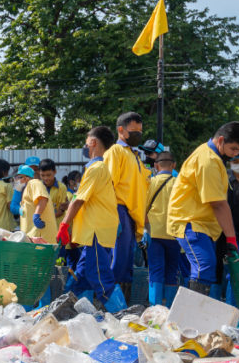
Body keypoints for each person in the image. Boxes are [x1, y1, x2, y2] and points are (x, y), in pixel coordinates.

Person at [167, 122, 239, 296]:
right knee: (204, 265)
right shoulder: (208, 160)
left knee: (206, 267)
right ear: (220, 140)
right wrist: (231, 238)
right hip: (191, 222)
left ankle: (194, 315)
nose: (235, 154)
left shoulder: (211, 157)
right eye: (233, 149)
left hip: (200, 224)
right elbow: (218, 204)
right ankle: (192, 317)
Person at [57, 126, 126, 311]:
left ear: (93, 143)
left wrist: (64, 225)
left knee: (99, 276)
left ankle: (123, 316)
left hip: (97, 232)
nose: (85, 146)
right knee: (80, 276)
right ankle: (70, 313)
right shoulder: (99, 169)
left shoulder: (96, 169)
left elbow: (78, 201)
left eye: (86, 142)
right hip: (93, 233)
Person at [104, 112, 150, 300]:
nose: (138, 135)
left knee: (127, 262)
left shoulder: (136, 156)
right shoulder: (116, 151)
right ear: (121, 130)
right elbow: (109, 185)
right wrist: (114, 215)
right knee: (118, 261)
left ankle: (123, 304)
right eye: (134, 131)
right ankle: (110, 304)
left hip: (132, 215)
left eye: (140, 131)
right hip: (119, 210)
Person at [144, 151, 182, 306]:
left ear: (156, 165)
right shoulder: (179, 184)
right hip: (175, 234)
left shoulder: (150, 183)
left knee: (155, 271)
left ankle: (155, 308)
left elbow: (143, 210)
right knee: (172, 272)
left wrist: (145, 230)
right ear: (173, 165)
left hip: (155, 234)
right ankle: (170, 309)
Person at [14, 166, 58, 243]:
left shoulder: (34, 183)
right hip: (33, 236)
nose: (16, 181)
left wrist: (36, 216)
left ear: (25, 178)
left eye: (18, 178)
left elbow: (42, 199)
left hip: (40, 237)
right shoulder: (27, 189)